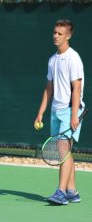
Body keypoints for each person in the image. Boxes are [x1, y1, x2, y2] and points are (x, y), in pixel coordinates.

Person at [34, 19, 85, 205]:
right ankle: (73, 191)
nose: (55, 36)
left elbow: (77, 88)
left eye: (60, 33)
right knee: (65, 151)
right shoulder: (52, 60)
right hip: (55, 111)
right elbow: (49, 88)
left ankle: (61, 192)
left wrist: (73, 115)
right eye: (54, 32)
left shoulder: (74, 58)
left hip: (70, 110)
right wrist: (41, 112)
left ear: (68, 36)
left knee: (63, 151)